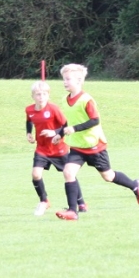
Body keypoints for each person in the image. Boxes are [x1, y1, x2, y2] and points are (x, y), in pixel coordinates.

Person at [41, 63, 139, 220]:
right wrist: (59, 134)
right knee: (68, 172)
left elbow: (95, 120)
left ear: (79, 80)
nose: (65, 82)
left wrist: (74, 129)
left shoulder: (86, 100)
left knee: (108, 176)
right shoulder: (64, 100)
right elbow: (68, 122)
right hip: (77, 146)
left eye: (68, 79)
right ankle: (72, 211)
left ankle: (135, 186)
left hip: (94, 145)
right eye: (64, 79)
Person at [25, 80, 87, 216]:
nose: (41, 97)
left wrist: (54, 132)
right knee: (36, 174)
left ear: (48, 95)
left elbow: (66, 125)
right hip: (42, 149)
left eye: (44, 94)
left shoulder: (53, 109)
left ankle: (81, 203)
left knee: (69, 174)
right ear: (33, 96)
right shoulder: (29, 110)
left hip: (58, 149)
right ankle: (44, 201)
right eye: (38, 94)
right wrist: (29, 133)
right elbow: (29, 120)